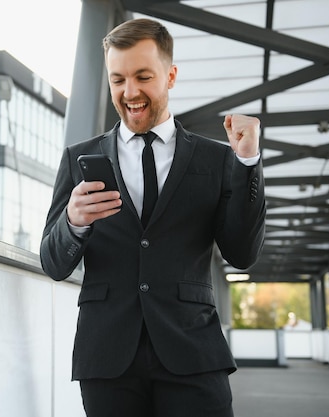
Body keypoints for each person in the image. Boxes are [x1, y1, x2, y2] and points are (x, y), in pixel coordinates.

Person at [40, 18, 265, 417]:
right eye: (117, 80)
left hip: (193, 353)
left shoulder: (215, 159)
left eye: (143, 76)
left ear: (171, 76)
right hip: (107, 357)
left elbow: (242, 253)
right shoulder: (78, 158)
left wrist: (246, 161)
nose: (130, 92)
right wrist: (73, 222)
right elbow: (54, 263)